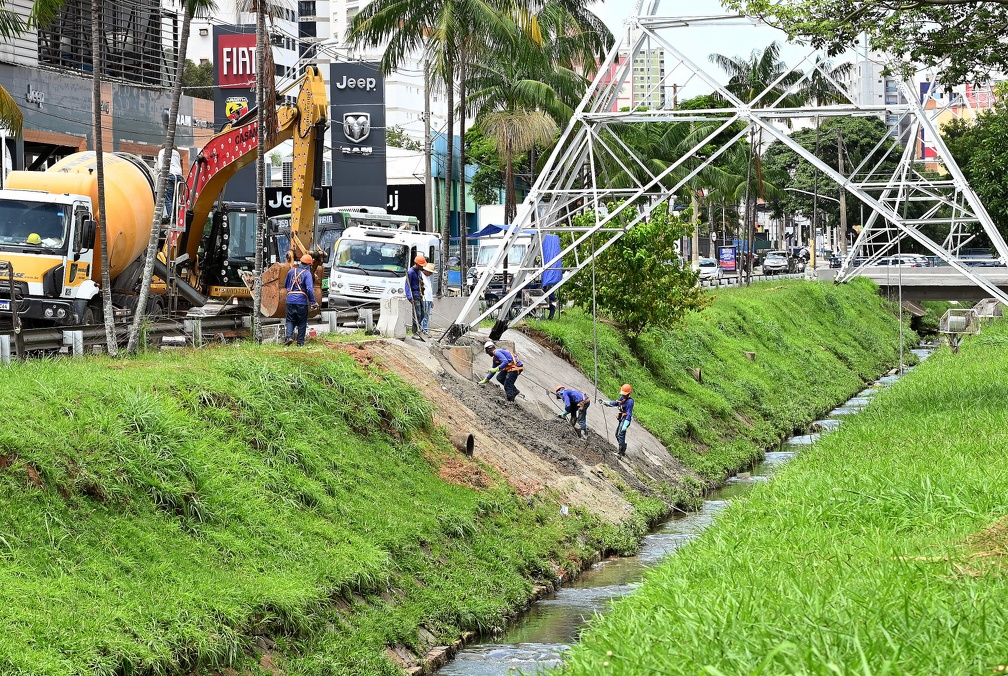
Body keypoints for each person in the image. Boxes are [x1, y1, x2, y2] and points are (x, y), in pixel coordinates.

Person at [284, 254, 318, 346]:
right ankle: (300, 343)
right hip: (302, 302)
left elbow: (285, 285)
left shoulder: (291, 271)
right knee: (302, 322)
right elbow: (309, 289)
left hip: (290, 300)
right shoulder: (307, 274)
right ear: (309, 265)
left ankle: (289, 337)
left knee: (290, 320)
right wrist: (313, 302)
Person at [601, 384, 634, 456]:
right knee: (617, 434)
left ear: (628, 393)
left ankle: (620, 453)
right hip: (622, 418)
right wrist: (606, 402)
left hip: (625, 420)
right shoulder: (622, 398)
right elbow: (616, 403)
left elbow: (629, 414)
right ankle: (623, 447)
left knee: (620, 434)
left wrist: (625, 424)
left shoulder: (630, 402)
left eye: (624, 394)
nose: (623, 395)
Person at [404, 255, 427, 338]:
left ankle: (419, 329)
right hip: (414, 295)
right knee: (417, 314)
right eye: (421, 266)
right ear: (417, 264)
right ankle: (415, 332)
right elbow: (407, 285)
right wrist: (409, 297)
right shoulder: (411, 272)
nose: (422, 267)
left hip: (419, 294)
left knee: (423, 314)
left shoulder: (419, 272)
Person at [421, 262, 436, 335]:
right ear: (426, 271)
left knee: (427, 315)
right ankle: (422, 329)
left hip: (429, 298)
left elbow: (429, 289)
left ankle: (425, 329)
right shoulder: (421, 276)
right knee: (424, 314)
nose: (431, 274)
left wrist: (432, 300)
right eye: (430, 272)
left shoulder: (428, 277)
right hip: (424, 298)